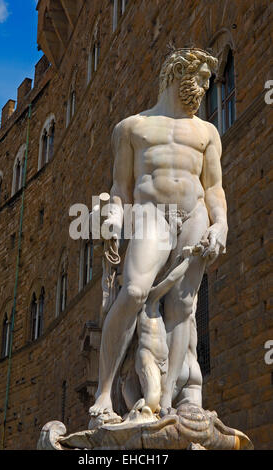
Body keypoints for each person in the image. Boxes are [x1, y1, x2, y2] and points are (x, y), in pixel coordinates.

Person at [89, 48, 228, 418]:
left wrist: (221, 224)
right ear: (175, 74)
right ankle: (104, 393)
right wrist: (114, 220)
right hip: (153, 213)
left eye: (207, 81)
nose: (204, 86)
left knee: (183, 306)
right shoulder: (132, 127)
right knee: (133, 291)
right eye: (199, 78)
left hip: (195, 214)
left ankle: (165, 401)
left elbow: (214, 187)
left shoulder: (207, 132)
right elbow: (121, 187)